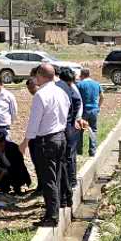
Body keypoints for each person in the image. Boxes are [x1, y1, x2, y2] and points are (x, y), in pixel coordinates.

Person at [22, 63, 70, 226]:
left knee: (47, 178)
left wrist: (25, 142)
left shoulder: (41, 95)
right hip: (61, 137)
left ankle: (52, 216)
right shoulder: (62, 92)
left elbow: (34, 122)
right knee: (56, 176)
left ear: (40, 76)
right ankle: (54, 210)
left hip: (46, 141)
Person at [55, 66, 85, 208]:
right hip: (70, 125)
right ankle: (71, 183)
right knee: (69, 156)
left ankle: (69, 185)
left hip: (66, 126)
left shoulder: (64, 87)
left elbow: (77, 102)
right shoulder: (69, 87)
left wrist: (73, 118)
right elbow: (78, 102)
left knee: (67, 157)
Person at [0, 130, 31, 194]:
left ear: (3, 142)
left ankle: (17, 188)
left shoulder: (13, 148)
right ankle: (4, 188)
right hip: (5, 171)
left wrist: (6, 171)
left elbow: (18, 166)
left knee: (15, 173)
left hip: (17, 173)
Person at [76, 67, 102, 157]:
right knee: (93, 130)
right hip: (94, 110)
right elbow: (102, 96)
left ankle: (79, 151)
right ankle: (92, 151)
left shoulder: (79, 85)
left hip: (83, 110)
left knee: (80, 131)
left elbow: (76, 98)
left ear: (82, 75)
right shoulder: (96, 84)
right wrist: (98, 107)